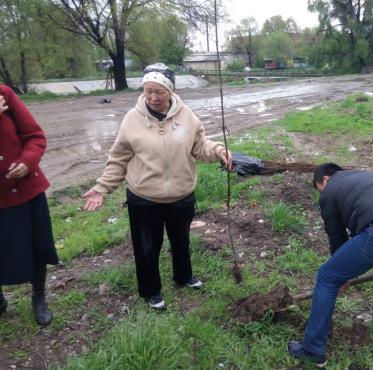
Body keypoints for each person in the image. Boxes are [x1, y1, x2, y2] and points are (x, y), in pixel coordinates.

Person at [82, 64, 232, 311]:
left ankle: (183, 276)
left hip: (181, 196)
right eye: (147, 91)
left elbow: (200, 146)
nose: (152, 97)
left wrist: (219, 151)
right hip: (144, 199)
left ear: (170, 91)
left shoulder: (187, 117)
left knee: (181, 241)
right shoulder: (132, 119)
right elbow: (118, 159)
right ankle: (150, 290)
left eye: (158, 92)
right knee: (146, 247)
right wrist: (101, 188)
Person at [287, 163, 373, 367]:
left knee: (327, 276)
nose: (321, 194)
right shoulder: (363, 178)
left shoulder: (330, 189)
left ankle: (312, 350)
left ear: (325, 179)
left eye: (319, 189)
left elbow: (337, 236)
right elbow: (364, 223)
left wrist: (342, 276)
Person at [0, 85, 59, 326]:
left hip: (25, 191)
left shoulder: (3, 94)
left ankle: (39, 298)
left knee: (37, 247)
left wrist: (28, 161)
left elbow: (35, 136)